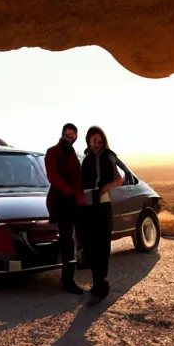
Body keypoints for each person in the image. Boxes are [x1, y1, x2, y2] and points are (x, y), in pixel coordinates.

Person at [80, 126, 123, 305]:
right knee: (90, 246)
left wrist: (103, 188)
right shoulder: (86, 159)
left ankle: (100, 286)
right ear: (88, 140)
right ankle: (97, 285)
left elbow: (119, 179)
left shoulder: (109, 156)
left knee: (101, 247)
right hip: (88, 206)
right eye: (94, 140)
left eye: (100, 140)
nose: (97, 143)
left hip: (103, 205)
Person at [45, 123, 85, 295]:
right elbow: (53, 176)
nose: (70, 137)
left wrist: (80, 195)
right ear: (62, 134)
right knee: (67, 241)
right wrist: (71, 192)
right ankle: (68, 280)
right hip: (61, 200)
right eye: (68, 134)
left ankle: (71, 274)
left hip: (74, 200)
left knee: (78, 236)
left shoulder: (72, 153)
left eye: (73, 135)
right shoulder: (53, 152)